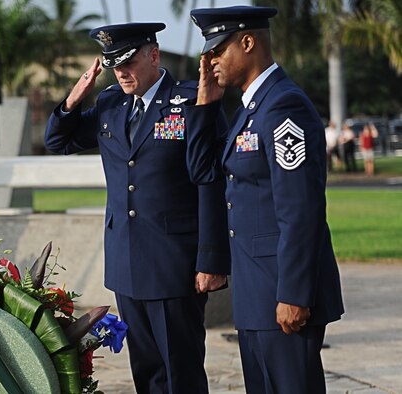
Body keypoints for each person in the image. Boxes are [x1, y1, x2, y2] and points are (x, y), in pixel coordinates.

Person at [45, 22, 230, 394]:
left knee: (181, 370)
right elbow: (57, 141)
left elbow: (210, 184)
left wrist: (211, 260)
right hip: (128, 261)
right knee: (146, 370)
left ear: (154, 56)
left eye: (128, 62)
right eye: (113, 65)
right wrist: (73, 100)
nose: (121, 72)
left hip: (175, 263)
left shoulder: (192, 101)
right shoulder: (111, 103)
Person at [185, 6, 345, 393]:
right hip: (256, 293)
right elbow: (203, 170)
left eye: (217, 50)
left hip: (283, 294)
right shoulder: (249, 109)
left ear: (248, 42)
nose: (210, 62)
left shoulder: (283, 106)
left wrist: (293, 294)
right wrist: (206, 105)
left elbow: (300, 211)